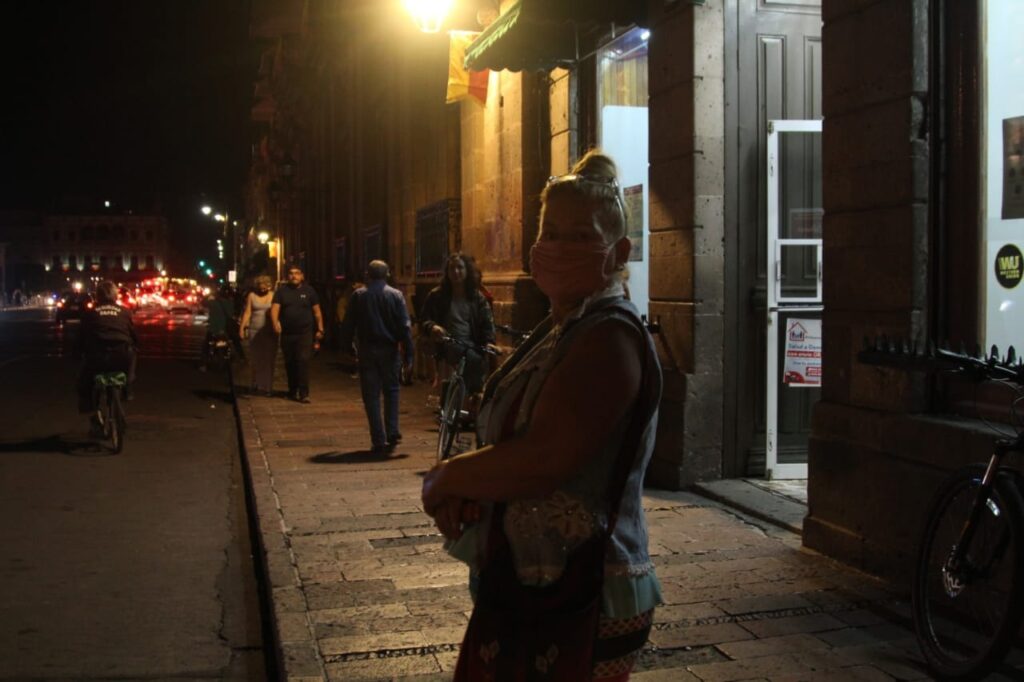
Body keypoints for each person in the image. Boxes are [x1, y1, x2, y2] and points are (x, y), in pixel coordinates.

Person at [421, 151, 663, 680]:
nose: (557, 247)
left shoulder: (609, 336)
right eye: (550, 232)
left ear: (619, 251)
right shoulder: (563, 327)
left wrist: (446, 478)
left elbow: (544, 459)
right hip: (529, 583)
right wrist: (478, 487)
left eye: (579, 236)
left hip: (586, 590)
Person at [339, 260, 415, 454]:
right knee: (392, 391)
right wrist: (409, 353)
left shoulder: (359, 296)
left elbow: (348, 324)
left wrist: (347, 347)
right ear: (387, 274)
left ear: (368, 275)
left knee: (371, 396)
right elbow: (404, 327)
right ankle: (392, 430)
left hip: (367, 351)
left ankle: (378, 438)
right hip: (390, 350)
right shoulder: (396, 295)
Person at [419, 253, 496, 396]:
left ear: (467, 270)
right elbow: (424, 319)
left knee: (478, 369)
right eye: (452, 268)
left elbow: (487, 322)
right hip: (447, 343)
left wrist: (489, 342)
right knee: (473, 363)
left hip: (471, 344)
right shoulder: (437, 295)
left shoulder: (477, 297)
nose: (456, 272)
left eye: (460, 268)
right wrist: (433, 327)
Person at [76, 280, 138, 432]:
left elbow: (80, 338)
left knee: (84, 382)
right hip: (121, 357)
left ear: (97, 296)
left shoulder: (90, 313)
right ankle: (128, 388)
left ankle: (91, 412)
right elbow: (134, 336)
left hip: (97, 358)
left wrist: (76, 353)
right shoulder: (125, 312)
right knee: (132, 354)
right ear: (115, 295)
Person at [270, 264, 324, 403]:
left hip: (305, 333)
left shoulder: (309, 291)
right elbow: (275, 309)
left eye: (297, 273)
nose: (294, 276)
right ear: (287, 276)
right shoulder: (281, 292)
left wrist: (320, 328)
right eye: (291, 273)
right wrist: (275, 323)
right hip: (287, 333)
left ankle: (304, 393)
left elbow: (317, 311)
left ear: (302, 276)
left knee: (303, 360)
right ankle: (292, 390)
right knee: (290, 362)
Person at [239, 275, 277, 395]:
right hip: (254, 330)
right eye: (260, 286)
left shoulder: (273, 296)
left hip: (269, 330)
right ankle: (256, 383)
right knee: (256, 358)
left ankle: (267, 386)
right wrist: (242, 327)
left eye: (265, 286)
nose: (262, 289)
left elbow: (277, 312)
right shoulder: (251, 296)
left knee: (268, 358)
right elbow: (247, 312)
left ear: (269, 286)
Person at [201, 285, 238, 369]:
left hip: (213, 329)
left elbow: (203, 302)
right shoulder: (230, 303)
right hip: (225, 329)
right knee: (232, 343)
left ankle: (203, 364)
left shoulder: (213, 302)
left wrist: (209, 295)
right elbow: (232, 315)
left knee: (206, 346)